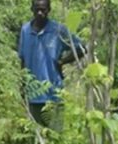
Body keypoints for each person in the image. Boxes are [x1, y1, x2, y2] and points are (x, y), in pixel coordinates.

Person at [18, 0, 84, 131]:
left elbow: (82, 48)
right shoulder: (25, 30)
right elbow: (23, 60)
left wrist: (62, 61)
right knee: (37, 138)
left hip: (54, 94)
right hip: (33, 95)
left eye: (43, 9)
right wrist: (22, 84)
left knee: (55, 138)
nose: (40, 13)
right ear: (32, 9)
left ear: (49, 9)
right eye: (37, 9)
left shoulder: (58, 30)